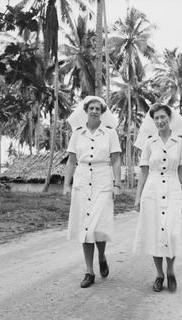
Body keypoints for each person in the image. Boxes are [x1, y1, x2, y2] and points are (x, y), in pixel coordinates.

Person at [64, 96, 121, 288]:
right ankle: (89, 271)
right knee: (85, 227)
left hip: (103, 179)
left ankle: (102, 256)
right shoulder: (77, 134)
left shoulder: (110, 134)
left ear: (102, 112)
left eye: (98, 108)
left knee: (98, 227)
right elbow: (71, 161)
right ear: (86, 111)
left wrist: (117, 184)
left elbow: (115, 160)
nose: (94, 111)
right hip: (82, 180)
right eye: (91, 108)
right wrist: (66, 185)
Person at [133, 103, 182, 293]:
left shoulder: (180, 142)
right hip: (152, 189)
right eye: (156, 118)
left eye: (162, 117)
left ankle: (171, 270)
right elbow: (143, 171)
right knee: (155, 234)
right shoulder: (149, 142)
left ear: (169, 117)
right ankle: (159, 274)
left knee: (172, 233)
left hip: (173, 188)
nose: (160, 121)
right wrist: (137, 197)